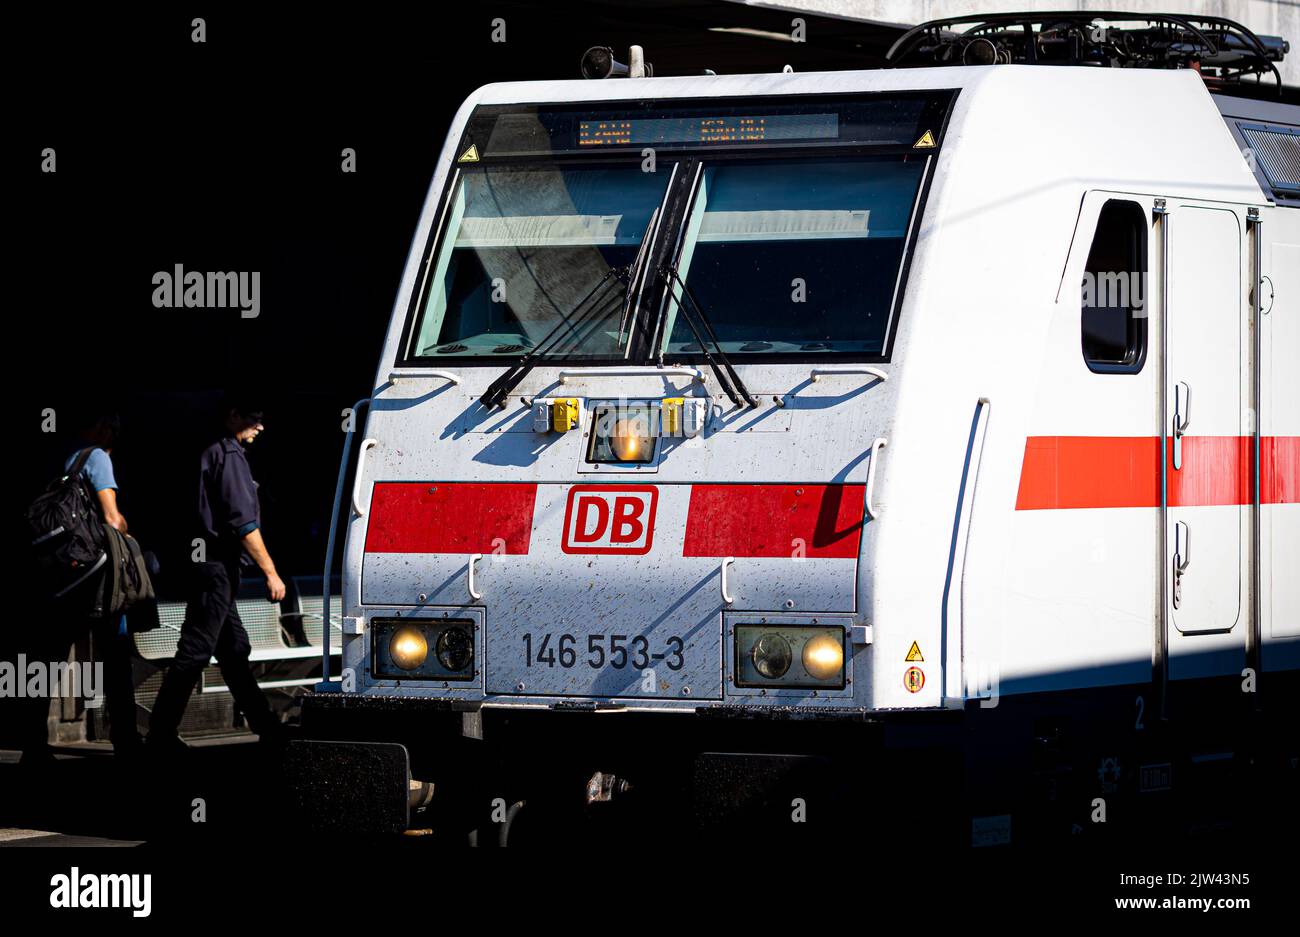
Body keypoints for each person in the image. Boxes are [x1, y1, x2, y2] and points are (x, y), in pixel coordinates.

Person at [146, 397, 287, 753]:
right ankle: (160, 735)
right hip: (216, 569)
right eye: (253, 416)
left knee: (233, 649)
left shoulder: (210, 451)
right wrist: (271, 573)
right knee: (196, 649)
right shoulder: (228, 456)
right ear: (232, 415)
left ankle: (267, 727)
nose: (260, 425)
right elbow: (244, 523)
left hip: (210, 567)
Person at [17, 411, 142, 762]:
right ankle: (126, 740)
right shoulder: (96, 457)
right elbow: (111, 517)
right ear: (103, 427)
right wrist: (130, 541)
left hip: (60, 578)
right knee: (116, 657)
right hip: (94, 578)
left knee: (47, 659)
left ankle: (33, 743)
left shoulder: (56, 454)